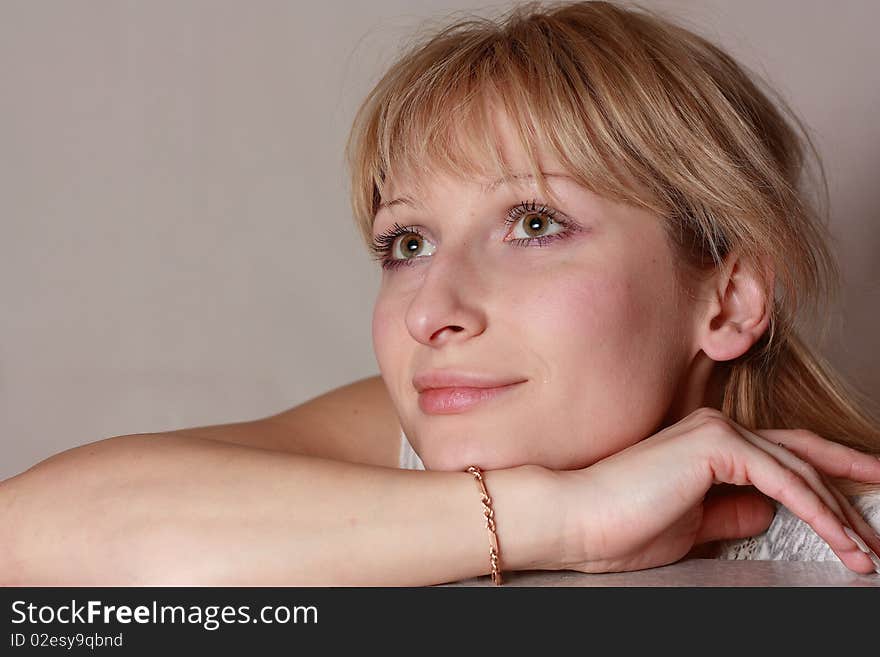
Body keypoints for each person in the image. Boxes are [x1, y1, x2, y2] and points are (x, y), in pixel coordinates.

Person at [2, 0, 880, 586]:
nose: (430, 312)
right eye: (407, 243)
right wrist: (563, 519)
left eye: (535, 223)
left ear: (728, 301)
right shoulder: (419, 445)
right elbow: (26, 535)